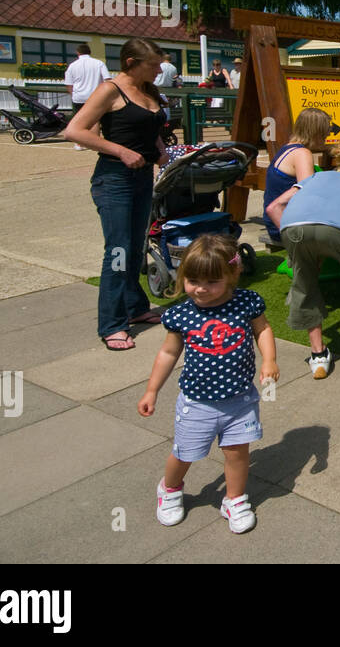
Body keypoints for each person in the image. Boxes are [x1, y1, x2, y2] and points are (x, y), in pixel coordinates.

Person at [138, 235, 278, 533]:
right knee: (185, 452)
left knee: (237, 451)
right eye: (192, 280)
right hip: (197, 402)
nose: (200, 289)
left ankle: (235, 498)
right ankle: (170, 489)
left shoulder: (246, 303)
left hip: (240, 400)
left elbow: (263, 329)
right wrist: (152, 390)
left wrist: (269, 360)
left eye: (211, 282)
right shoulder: (182, 314)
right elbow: (168, 352)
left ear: (232, 275)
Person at [63, 38, 169, 351]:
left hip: (141, 179)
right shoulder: (110, 90)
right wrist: (120, 151)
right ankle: (112, 324)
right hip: (114, 180)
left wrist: (162, 153)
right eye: (153, 64)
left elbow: (151, 129)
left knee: (135, 247)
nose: (159, 69)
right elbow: (74, 130)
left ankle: (136, 308)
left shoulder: (147, 90)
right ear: (131, 63)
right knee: (119, 252)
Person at [266, 135, 340, 379]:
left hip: (294, 227)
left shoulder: (313, 178)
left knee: (305, 284)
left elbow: (273, 207)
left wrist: (294, 242)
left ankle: (318, 356)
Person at [262, 107, 332, 243]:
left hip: (274, 220)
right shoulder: (302, 153)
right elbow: (308, 193)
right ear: (316, 132)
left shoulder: (287, 148)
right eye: (325, 132)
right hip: (286, 224)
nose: (328, 135)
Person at [63, 43, 111, 150]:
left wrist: (73, 95)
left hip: (79, 96)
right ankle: (94, 144)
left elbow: (69, 84)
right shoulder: (99, 63)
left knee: (80, 120)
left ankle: (80, 143)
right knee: (95, 120)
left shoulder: (72, 65)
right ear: (90, 52)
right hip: (95, 95)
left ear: (78, 53)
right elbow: (107, 79)